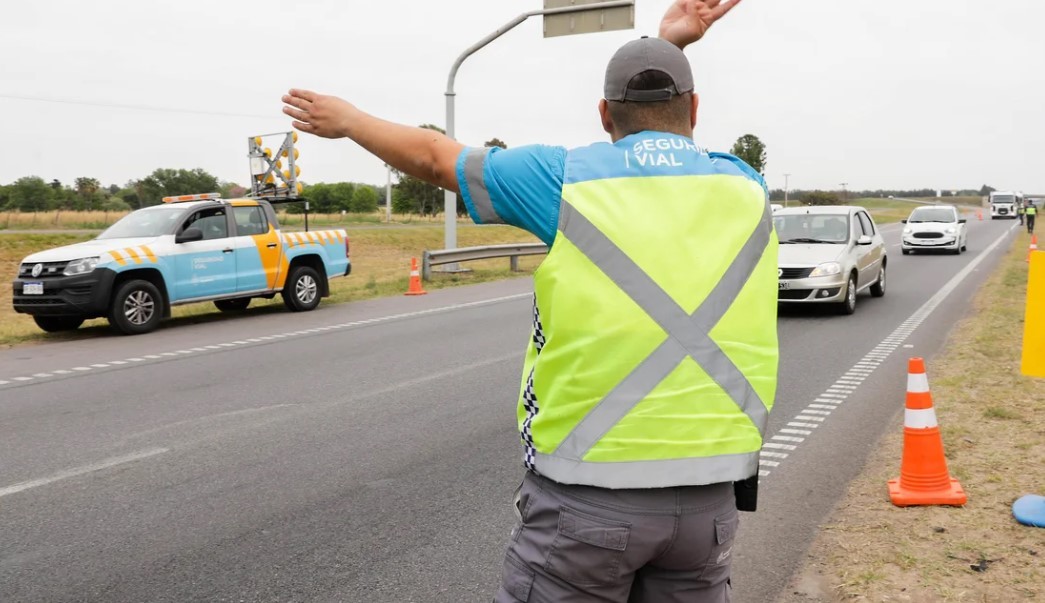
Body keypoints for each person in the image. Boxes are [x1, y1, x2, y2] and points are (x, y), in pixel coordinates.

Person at [282, 1, 776, 600]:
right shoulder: (745, 184)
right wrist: (669, 46)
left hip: (588, 503)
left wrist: (352, 119)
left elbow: (437, 158)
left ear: (602, 114)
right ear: (695, 108)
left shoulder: (564, 179)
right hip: (711, 504)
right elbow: (669, 151)